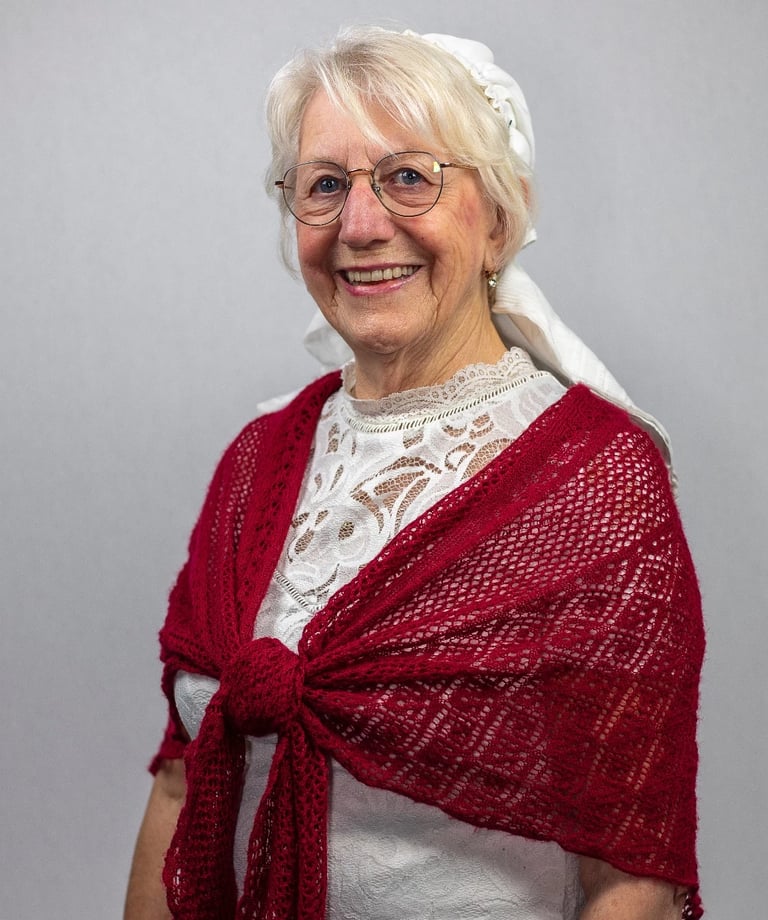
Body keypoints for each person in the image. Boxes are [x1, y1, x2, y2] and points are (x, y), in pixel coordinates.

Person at [124, 25, 704, 920]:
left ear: (500, 219)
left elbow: (631, 875)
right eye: (325, 185)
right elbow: (180, 782)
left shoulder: (592, 481)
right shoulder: (256, 460)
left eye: (408, 177)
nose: (360, 226)